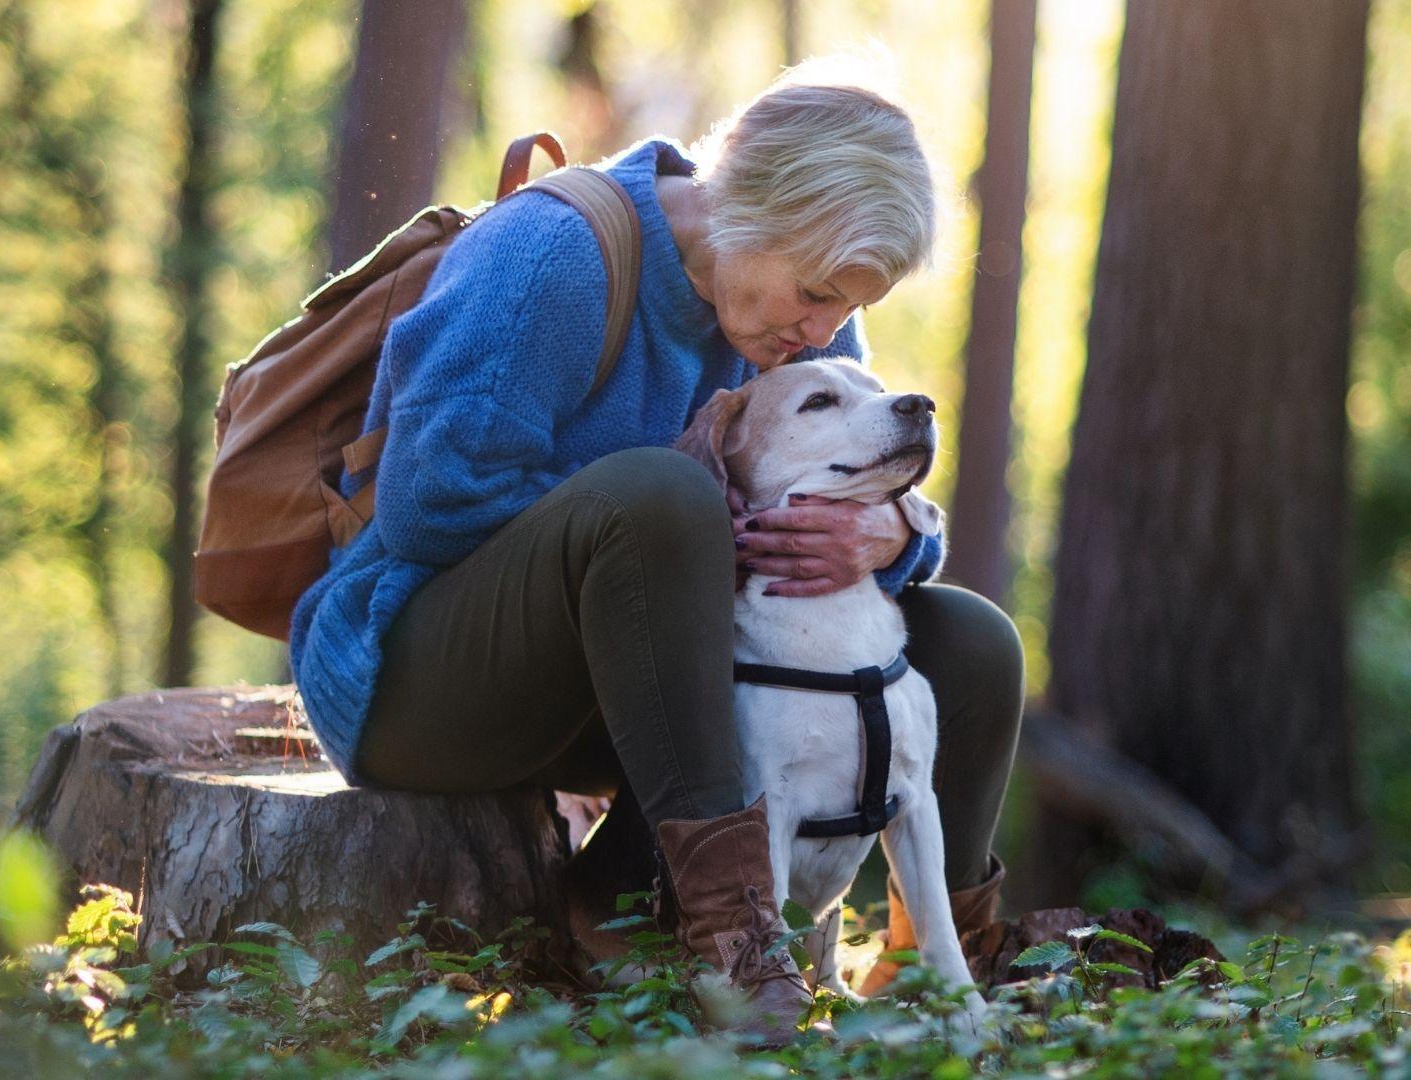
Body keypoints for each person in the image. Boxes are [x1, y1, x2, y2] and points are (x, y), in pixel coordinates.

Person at [288, 65, 1024, 1044]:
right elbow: (430, 506)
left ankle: (938, 972)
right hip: (422, 675)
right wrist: (672, 543)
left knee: (964, 640)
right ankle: (732, 945)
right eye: (811, 295)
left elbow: (864, 478)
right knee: (665, 497)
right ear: (746, 199)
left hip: (643, 691)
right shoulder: (552, 255)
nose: (820, 333)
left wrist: (893, 534)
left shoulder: (798, 319)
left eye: (841, 307)